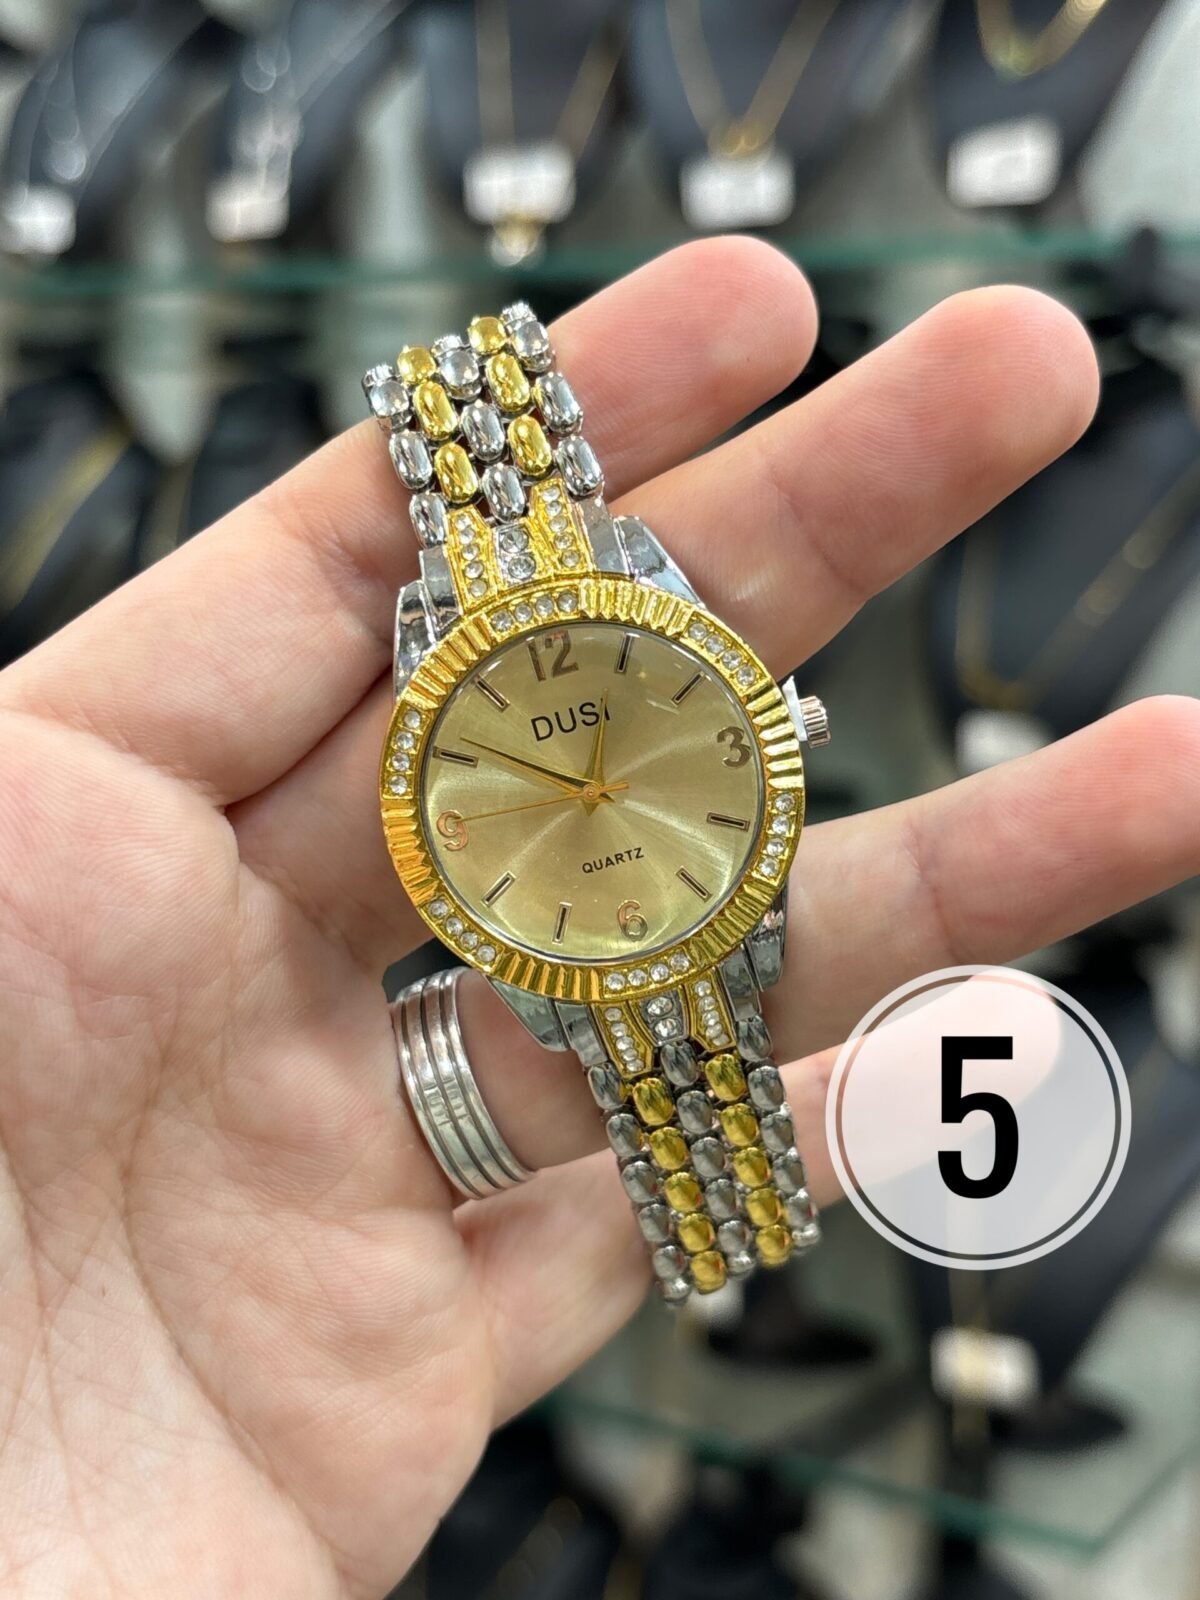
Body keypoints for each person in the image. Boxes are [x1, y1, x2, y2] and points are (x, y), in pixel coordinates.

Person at [0, 239, 1196, 1598]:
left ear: (780, 730)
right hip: (596, 911)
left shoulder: (622, 636)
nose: (587, 785)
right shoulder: (481, 738)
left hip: (635, 896)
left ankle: (728, 1226)